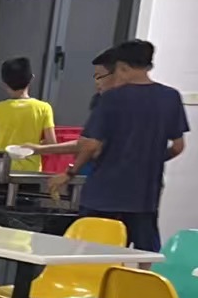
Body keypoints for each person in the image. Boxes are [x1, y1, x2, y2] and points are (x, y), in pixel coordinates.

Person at [55, 40, 188, 252]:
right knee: (144, 252)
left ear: (123, 67)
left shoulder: (112, 98)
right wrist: (149, 159)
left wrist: (70, 172)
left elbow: (91, 145)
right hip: (145, 195)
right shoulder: (170, 97)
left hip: (105, 193)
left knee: (91, 250)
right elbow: (178, 146)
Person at [0, 57, 56, 172]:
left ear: (4, 83)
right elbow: (52, 144)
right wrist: (37, 143)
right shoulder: (44, 108)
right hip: (30, 172)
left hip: (3, 169)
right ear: (31, 78)